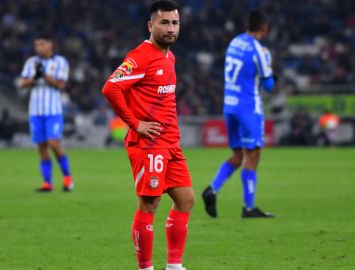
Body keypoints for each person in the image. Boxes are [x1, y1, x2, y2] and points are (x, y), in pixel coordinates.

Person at [101, 1, 194, 269]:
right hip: (148, 144)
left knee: (186, 199)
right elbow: (110, 88)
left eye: (175, 23)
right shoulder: (141, 56)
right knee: (150, 203)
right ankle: (145, 267)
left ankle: (174, 265)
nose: (170, 28)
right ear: (150, 25)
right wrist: (134, 123)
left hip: (170, 143)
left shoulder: (169, 57)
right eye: (164, 23)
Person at [202, 10, 275, 218]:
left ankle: (212, 189)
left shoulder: (234, 43)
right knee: (253, 155)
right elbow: (268, 85)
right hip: (248, 108)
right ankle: (248, 207)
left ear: (246, 25)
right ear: (265, 28)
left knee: (239, 154)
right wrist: (270, 68)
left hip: (229, 106)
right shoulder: (260, 51)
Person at [18, 34, 74, 192]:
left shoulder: (60, 62)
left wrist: (45, 76)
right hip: (35, 111)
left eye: (42, 44)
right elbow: (22, 83)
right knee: (42, 147)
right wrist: (35, 77)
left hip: (53, 111)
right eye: (37, 45)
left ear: (50, 45)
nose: (39, 48)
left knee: (54, 143)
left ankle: (68, 178)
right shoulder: (31, 62)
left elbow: (61, 85)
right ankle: (48, 183)